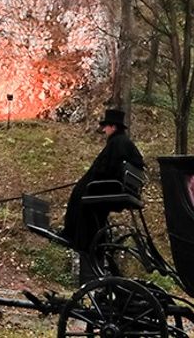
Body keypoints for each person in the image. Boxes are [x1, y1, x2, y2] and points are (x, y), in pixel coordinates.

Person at [60, 108, 144, 281]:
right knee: (81, 193)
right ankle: (90, 242)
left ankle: (77, 238)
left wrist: (89, 181)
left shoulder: (117, 143)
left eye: (106, 127)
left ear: (113, 127)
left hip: (109, 187)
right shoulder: (122, 143)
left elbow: (106, 170)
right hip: (116, 186)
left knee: (80, 197)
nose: (104, 130)